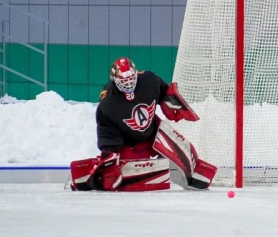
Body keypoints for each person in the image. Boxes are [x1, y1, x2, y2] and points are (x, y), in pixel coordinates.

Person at [69, 58, 218, 192]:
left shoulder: (149, 80)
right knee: (121, 171)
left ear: (136, 74)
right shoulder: (108, 103)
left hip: (154, 132)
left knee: (182, 150)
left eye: (130, 79)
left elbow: (164, 91)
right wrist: (109, 155)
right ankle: (89, 174)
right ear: (114, 80)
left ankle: (197, 174)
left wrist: (172, 104)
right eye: (123, 81)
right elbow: (107, 132)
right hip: (129, 143)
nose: (128, 84)